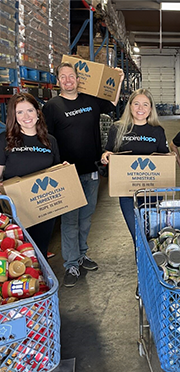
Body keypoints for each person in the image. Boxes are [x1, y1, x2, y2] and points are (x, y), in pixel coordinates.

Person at [42, 62, 124, 288]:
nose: (68, 80)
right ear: (58, 81)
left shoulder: (89, 101)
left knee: (86, 218)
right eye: (63, 77)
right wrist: (54, 166)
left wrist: (119, 79)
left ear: (78, 80)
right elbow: (46, 139)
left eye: (71, 76)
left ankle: (81, 255)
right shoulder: (52, 106)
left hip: (92, 169)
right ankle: (71, 264)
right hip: (67, 174)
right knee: (70, 221)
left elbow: (112, 102)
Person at [100, 88, 169, 243]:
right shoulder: (117, 128)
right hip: (127, 192)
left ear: (151, 108)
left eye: (145, 104)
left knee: (152, 235)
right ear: (130, 106)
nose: (140, 108)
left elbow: (164, 158)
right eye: (136, 104)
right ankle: (142, 266)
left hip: (152, 191)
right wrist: (105, 157)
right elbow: (109, 152)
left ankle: (151, 266)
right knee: (137, 235)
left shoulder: (157, 131)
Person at [0, 93, 60, 258]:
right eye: (20, 112)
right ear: (13, 116)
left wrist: (64, 169)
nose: (26, 116)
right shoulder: (5, 140)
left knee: (39, 250)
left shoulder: (50, 141)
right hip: (15, 208)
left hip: (44, 206)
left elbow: (55, 172)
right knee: (17, 253)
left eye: (30, 110)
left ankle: (39, 282)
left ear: (38, 112)